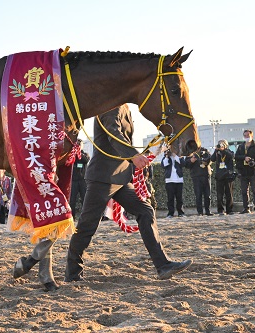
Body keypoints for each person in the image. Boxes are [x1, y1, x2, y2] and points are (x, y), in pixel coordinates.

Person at [65, 105, 192, 283]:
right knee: (87, 226)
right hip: (103, 176)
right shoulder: (111, 103)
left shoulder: (123, 105)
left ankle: (163, 266)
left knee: (145, 211)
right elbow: (113, 134)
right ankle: (72, 274)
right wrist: (133, 156)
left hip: (120, 177)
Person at [235, 129, 255, 214]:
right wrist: (244, 157)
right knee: (244, 191)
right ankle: (246, 208)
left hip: (253, 171)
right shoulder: (241, 146)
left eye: (248, 135)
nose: (246, 137)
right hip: (243, 172)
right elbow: (236, 157)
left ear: (252, 135)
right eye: (245, 135)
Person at [183, 147, 213, 216]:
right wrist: (191, 161)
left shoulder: (204, 150)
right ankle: (200, 212)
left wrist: (205, 161)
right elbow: (186, 164)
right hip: (196, 176)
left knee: (207, 195)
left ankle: (208, 211)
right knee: (198, 195)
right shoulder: (190, 152)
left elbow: (210, 159)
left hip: (206, 175)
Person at [211, 140, 235, 215]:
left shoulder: (229, 151)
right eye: (219, 144)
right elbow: (212, 159)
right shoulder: (217, 152)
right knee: (219, 194)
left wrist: (224, 150)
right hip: (219, 175)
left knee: (229, 193)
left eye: (221, 144)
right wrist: (216, 151)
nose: (219, 146)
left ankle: (229, 210)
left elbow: (231, 156)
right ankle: (220, 209)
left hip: (228, 175)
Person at [161, 150, 186, 218]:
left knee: (179, 198)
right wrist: (166, 156)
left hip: (179, 180)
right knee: (170, 198)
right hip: (169, 180)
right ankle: (170, 213)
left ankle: (181, 212)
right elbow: (163, 165)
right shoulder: (165, 158)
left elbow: (183, 163)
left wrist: (175, 155)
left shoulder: (180, 156)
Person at [70, 139, 90, 218]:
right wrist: (74, 152)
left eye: (80, 144)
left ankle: (86, 216)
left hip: (83, 180)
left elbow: (86, 160)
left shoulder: (85, 154)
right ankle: (72, 216)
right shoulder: (72, 154)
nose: (78, 146)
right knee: (72, 200)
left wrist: (79, 153)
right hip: (74, 180)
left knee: (85, 199)